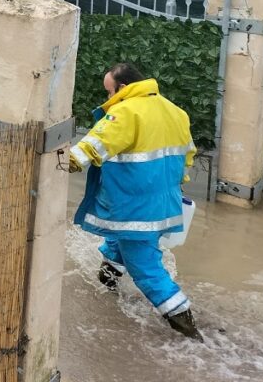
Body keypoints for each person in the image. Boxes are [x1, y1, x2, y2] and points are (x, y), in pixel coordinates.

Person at [68, 62, 202, 341]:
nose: (108, 99)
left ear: (124, 88)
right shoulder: (175, 111)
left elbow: (93, 147)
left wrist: (58, 160)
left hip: (134, 211)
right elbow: (188, 156)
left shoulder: (125, 111)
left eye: (109, 92)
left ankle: (192, 334)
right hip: (164, 204)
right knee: (117, 245)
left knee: (147, 270)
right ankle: (108, 286)